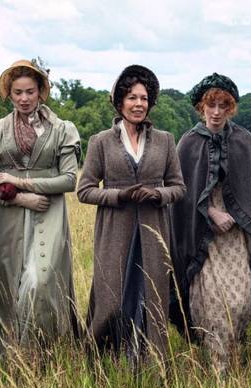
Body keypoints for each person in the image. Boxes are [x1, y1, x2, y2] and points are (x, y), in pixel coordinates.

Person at [170, 73, 251, 373]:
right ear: (201, 107)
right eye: (211, 105)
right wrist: (210, 212)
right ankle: (218, 367)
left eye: (223, 105)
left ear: (231, 108)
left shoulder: (244, 141)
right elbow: (181, 194)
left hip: (238, 236)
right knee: (210, 300)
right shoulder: (188, 143)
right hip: (203, 235)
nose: (217, 112)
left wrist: (240, 215)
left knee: (240, 300)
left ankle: (233, 356)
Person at [77, 65, 186, 364]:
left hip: (153, 230)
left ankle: (150, 363)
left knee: (151, 296)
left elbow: (179, 188)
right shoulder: (100, 141)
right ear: (120, 102)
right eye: (132, 97)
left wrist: (158, 194)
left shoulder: (165, 140)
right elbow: (85, 190)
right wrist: (119, 195)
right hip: (115, 230)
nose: (139, 104)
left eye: (144, 98)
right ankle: (102, 360)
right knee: (111, 297)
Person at [0, 59, 82, 353]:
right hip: (7, 215)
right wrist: (18, 198)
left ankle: (43, 350)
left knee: (41, 280)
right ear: (9, 94)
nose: (24, 99)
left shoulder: (61, 129)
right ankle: (6, 355)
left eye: (30, 92)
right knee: (7, 283)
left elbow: (69, 180)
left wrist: (20, 182)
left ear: (41, 92)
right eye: (18, 92)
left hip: (49, 212)